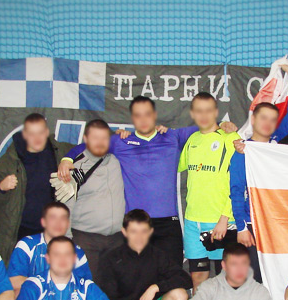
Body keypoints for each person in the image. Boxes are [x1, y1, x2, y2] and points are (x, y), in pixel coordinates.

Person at [58, 96, 238, 266]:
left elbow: (206, 126)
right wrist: (67, 159)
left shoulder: (172, 136)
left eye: (147, 114)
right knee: (135, 280)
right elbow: (89, 145)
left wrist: (223, 124)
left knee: (172, 278)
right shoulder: (121, 141)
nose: (143, 119)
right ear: (132, 118)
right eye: (138, 115)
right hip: (135, 226)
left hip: (168, 224)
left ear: (155, 115)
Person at [229, 102, 288, 300]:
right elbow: (235, 191)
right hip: (253, 228)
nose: (267, 123)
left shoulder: (279, 149)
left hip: (277, 227)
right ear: (253, 119)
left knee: (278, 282)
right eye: (263, 117)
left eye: (272, 119)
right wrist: (242, 227)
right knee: (254, 285)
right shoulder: (242, 152)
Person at [0, 113, 73, 261]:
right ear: (25, 135)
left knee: (49, 273)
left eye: (40, 132)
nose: (37, 138)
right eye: (32, 134)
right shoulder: (9, 161)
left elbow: (92, 148)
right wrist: (1, 188)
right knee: (19, 274)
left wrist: (67, 161)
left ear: (47, 132)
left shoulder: (60, 151)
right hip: (19, 231)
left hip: (52, 231)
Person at [178, 92, 242, 289]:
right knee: (198, 279)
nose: (203, 115)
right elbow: (177, 169)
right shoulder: (192, 140)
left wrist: (225, 217)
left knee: (229, 281)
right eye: (199, 111)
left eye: (208, 110)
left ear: (216, 112)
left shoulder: (231, 138)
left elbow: (239, 181)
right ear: (192, 113)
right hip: (193, 221)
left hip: (221, 221)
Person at [62, 119, 126, 273]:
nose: (100, 143)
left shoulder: (118, 160)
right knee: (88, 284)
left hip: (117, 241)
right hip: (85, 240)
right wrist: (66, 240)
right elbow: (65, 206)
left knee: (114, 286)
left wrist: (123, 136)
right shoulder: (74, 166)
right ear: (85, 139)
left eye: (104, 138)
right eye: (95, 138)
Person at [8, 202, 91, 295]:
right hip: (32, 298)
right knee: (17, 293)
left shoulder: (77, 252)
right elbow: (13, 281)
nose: (58, 223)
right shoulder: (27, 245)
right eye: (53, 218)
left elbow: (86, 287)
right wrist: (50, 288)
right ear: (43, 222)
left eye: (63, 218)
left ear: (68, 224)